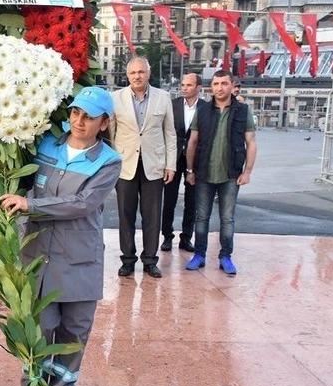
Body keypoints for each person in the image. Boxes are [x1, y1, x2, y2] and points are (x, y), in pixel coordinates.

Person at [0, 87, 121, 386]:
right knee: (39, 327)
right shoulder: (45, 146)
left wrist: (31, 205)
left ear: (104, 123)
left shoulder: (108, 161)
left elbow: (83, 203)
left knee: (74, 330)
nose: (79, 121)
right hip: (38, 254)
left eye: (89, 116)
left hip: (79, 258)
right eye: (75, 113)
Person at [109, 57, 177, 278]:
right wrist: (110, 162)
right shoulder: (115, 98)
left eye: (141, 72)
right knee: (125, 215)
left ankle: (150, 260)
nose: (137, 76)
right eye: (133, 73)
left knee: (152, 215)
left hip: (154, 166)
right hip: (125, 165)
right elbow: (111, 132)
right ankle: (127, 260)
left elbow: (170, 133)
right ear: (127, 76)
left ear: (148, 73)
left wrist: (171, 164)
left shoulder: (163, 97)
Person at [185, 70, 258, 275]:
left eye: (224, 83)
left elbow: (251, 143)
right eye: (216, 84)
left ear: (232, 86)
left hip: (231, 174)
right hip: (204, 173)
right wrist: (190, 170)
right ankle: (199, 255)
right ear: (211, 87)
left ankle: (225, 256)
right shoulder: (204, 110)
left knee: (227, 219)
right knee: (201, 217)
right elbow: (192, 141)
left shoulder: (243, 111)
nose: (219, 88)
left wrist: (248, 171)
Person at [161, 73, 204, 253]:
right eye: (183, 85)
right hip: (174, 158)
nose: (184, 88)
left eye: (188, 85)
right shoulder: (173, 105)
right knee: (169, 199)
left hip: (195, 160)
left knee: (191, 201)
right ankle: (167, 237)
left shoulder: (206, 108)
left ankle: (186, 238)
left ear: (198, 87)